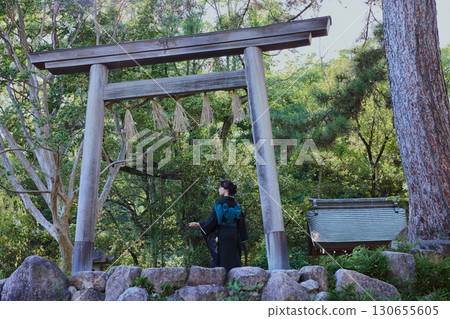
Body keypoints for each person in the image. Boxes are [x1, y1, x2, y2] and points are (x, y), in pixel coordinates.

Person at [189, 180, 248, 272]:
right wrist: (242, 236)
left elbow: (214, 220)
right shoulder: (237, 204)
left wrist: (199, 224)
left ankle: (221, 281)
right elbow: (241, 222)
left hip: (223, 234)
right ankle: (234, 280)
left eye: (220, 187)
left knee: (222, 257)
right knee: (233, 257)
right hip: (234, 235)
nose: (219, 189)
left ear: (226, 190)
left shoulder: (219, 203)